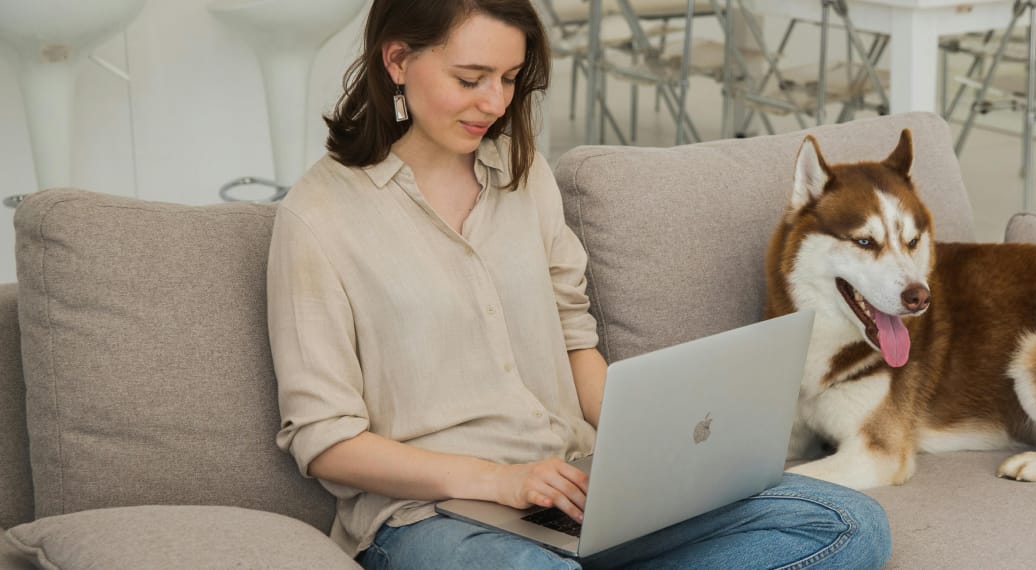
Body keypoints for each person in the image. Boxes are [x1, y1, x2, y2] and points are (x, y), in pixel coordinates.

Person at [265, 1, 892, 568]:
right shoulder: (318, 219)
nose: (495, 103)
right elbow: (326, 443)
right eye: (470, 79)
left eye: (509, 80)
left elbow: (574, 339)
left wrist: (654, 449)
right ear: (397, 59)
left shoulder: (521, 173)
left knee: (847, 524)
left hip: (578, 489)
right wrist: (499, 481)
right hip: (434, 518)